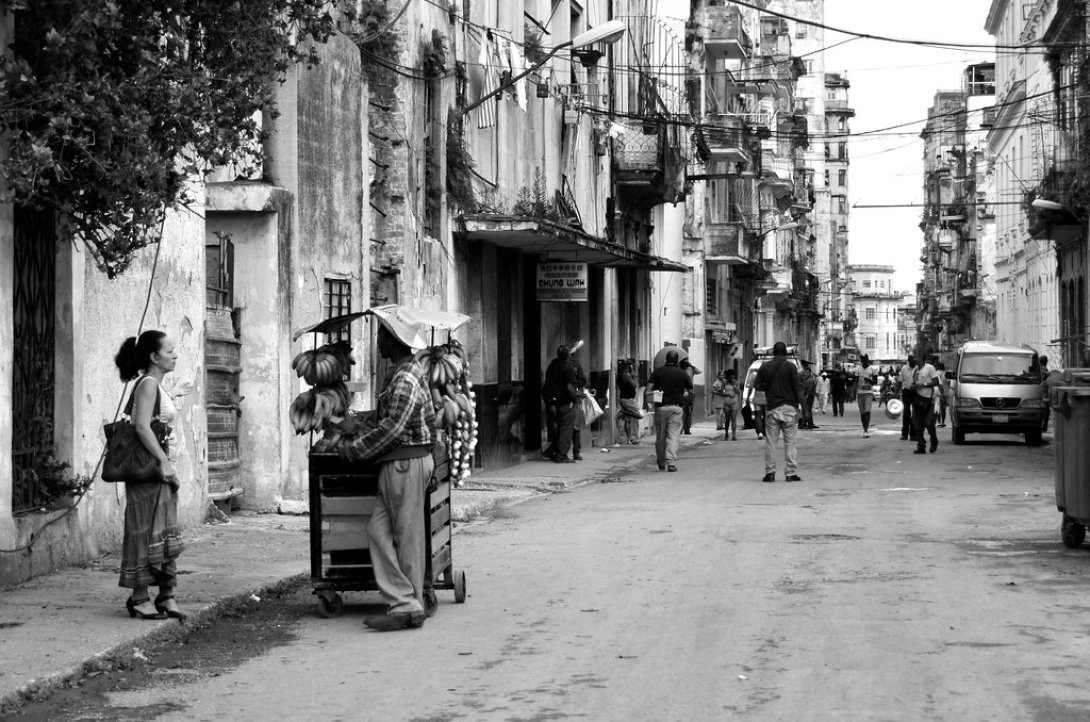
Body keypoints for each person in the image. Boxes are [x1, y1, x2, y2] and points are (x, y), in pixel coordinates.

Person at [339, 319, 438, 631]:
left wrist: (354, 450)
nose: (378, 342)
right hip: (400, 463)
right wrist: (360, 422)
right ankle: (406, 602)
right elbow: (390, 417)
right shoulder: (400, 373)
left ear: (394, 341)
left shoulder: (405, 377)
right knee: (378, 533)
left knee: (406, 538)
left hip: (404, 463)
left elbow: (394, 429)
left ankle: (407, 605)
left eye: (381, 336)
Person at [114, 330, 190, 622]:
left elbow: (157, 419)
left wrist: (174, 395)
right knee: (143, 531)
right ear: (154, 357)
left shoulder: (156, 385)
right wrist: (163, 461)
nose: (175, 355)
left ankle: (166, 595)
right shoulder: (147, 384)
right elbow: (142, 427)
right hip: (149, 472)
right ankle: (139, 598)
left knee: (163, 531)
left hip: (160, 473)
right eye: (169, 351)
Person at [755, 341, 803, 482]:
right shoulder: (791, 366)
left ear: (773, 352)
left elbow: (758, 385)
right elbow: (797, 388)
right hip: (789, 408)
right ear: (786, 353)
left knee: (771, 442)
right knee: (790, 442)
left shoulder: (765, 366)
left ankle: (770, 473)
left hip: (772, 408)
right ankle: (790, 473)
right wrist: (804, 409)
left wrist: (769, 388)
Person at [645, 350, 692, 472]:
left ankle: (661, 462)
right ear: (677, 361)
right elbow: (690, 389)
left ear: (665, 359)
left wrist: (649, 401)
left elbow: (648, 389)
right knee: (673, 435)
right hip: (676, 408)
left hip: (660, 408)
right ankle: (671, 462)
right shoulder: (682, 373)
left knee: (660, 437)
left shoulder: (658, 371)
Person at [542, 345, 580, 463]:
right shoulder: (568, 368)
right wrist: (575, 399)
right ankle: (561, 456)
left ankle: (552, 451)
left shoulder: (552, 366)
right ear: (568, 356)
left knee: (559, 429)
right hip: (564, 402)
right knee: (566, 430)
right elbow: (569, 387)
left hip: (551, 403)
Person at [911, 353, 940, 454]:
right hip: (917, 399)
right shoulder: (915, 370)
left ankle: (934, 439)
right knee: (917, 424)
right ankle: (921, 446)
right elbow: (915, 382)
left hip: (928, 399)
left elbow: (936, 382)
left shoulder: (929, 368)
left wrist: (923, 384)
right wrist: (914, 386)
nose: (915, 359)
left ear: (921, 359)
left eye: (916, 357)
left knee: (928, 423)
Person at [616, 359, 642, 445]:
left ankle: (629, 438)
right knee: (639, 414)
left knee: (628, 420)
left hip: (624, 399)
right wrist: (634, 376)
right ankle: (623, 412)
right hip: (628, 400)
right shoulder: (627, 375)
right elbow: (634, 385)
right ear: (629, 367)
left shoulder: (621, 374)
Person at [568, 350, 588, 460]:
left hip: (573, 401)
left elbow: (582, 381)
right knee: (573, 428)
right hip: (569, 401)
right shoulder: (565, 367)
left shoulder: (574, 365)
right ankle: (574, 452)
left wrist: (579, 392)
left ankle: (576, 451)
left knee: (575, 428)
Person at [856, 354, 879, 438]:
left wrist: (868, 380)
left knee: (867, 411)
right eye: (862, 361)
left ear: (867, 360)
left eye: (865, 361)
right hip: (860, 393)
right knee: (862, 413)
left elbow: (875, 382)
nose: (864, 363)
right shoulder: (858, 369)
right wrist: (852, 392)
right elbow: (855, 381)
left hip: (868, 393)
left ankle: (866, 430)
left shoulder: (872, 369)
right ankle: (864, 429)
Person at [1041, 356, 1064, 433]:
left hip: (1043, 393)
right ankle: (1044, 426)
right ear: (1046, 362)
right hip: (1046, 393)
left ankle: (1043, 426)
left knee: (1045, 410)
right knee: (1046, 410)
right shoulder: (1045, 371)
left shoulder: (1041, 370)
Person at [898, 355, 918, 441]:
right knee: (906, 412)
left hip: (916, 392)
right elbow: (899, 381)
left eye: (915, 360)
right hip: (906, 392)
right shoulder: (904, 368)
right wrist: (895, 393)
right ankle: (904, 434)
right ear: (909, 361)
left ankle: (913, 434)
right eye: (912, 360)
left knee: (915, 413)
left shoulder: (918, 368)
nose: (914, 362)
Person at [679, 358, 701, 434]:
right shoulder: (679, 369)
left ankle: (687, 429)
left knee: (688, 410)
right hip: (682, 391)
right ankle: (681, 428)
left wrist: (691, 366)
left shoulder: (690, 368)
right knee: (683, 411)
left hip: (690, 391)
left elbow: (699, 372)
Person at [718, 369, 740, 441]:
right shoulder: (724, 383)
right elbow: (721, 392)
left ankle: (734, 435)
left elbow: (738, 392)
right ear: (728, 377)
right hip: (726, 403)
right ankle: (726, 433)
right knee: (727, 420)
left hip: (734, 403)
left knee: (733, 419)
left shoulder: (736, 382)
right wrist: (727, 394)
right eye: (731, 377)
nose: (732, 378)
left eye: (733, 377)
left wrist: (734, 386)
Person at [799, 361, 818, 430]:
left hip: (807, 393)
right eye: (807, 366)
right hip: (807, 394)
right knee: (806, 409)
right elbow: (808, 385)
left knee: (807, 409)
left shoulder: (802, 374)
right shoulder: (806, 375)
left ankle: (810, 423)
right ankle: (803, 424)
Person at [935, 361, 949, 427]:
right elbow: (949, 382)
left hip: (937, 393)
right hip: (945, 393)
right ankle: (943, 422)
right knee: (943, 409)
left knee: (937, 408)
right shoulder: (945, 374)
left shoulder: (935, 373)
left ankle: (939, 422)